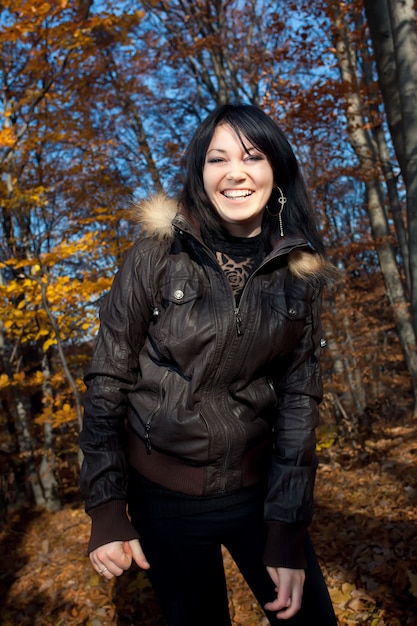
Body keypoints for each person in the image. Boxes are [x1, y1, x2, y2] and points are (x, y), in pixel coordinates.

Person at [79, 103, 337, 626]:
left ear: (277, 171)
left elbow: (298, 401)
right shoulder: (155, 255)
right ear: (201, 174)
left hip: (258, 491)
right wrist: (106, 507)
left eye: (252, 156)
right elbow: (107, 381)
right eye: (217, 159)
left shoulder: (298, 273)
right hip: (164, 497)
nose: (235, 172)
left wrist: (286, 529)